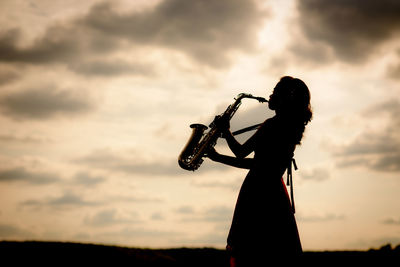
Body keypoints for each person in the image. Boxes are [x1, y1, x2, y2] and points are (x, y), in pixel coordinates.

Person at [206, 76, 313, 266]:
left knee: (251, 255)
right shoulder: (288, 127)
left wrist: (226, 131)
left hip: (256, 193)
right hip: (274, 193)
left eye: (275, 92)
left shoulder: (272, 125)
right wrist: (217, 156)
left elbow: (241, 153)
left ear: (284, 98)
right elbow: (259, 165)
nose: (270, 96)